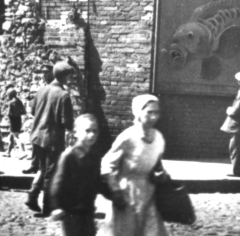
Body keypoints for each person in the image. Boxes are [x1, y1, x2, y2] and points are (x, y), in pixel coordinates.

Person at [101, 94, 168, 236]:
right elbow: (107, 165)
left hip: (148, 193)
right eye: (149, 112)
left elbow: (157, 164)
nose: (154, 117)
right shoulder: (128, 137)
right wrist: (116, 190)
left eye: (157, 112)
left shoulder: (159, 138)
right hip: (127, 193)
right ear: (138, 112)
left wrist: (160, 174)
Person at [50, 114, 116, 236]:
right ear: (76, 133)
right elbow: (58, 184)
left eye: (94, 131)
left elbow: (97, 183)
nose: (91, 135)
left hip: (88, 210)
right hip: (70, 211)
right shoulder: (69, 156)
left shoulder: (94, 157)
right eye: (87, 131)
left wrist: (114, 196)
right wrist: (57, 206)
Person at [25, 61, 75, 216]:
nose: (72, 79)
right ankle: (47, 209)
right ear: (65, 77)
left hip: (36, 136)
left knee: (42, 168)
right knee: (50, 175)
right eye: (70, 76)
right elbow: (66, 123)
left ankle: (32, 195)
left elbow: (32, 111)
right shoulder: (63, 95)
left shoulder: (42, 90)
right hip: (52, 140)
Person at [4, 88, 25, 158]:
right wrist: (18, 113)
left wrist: (4, 114)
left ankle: (22, 152)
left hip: (13, 120)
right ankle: (8, 152)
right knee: (11, 137)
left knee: (15, 136)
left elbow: (9, 113)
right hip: (18, 119)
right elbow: (24, 111)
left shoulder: (10, 102)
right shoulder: (19, 101)